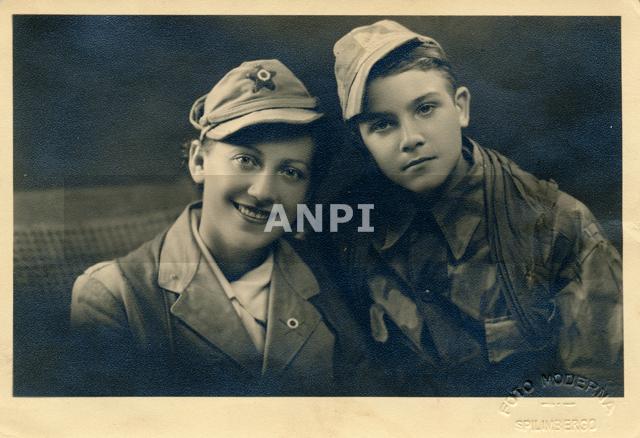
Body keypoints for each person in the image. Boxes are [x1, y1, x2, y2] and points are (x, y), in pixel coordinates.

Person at [329, 20, 623, 395]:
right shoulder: (355, 231)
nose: (411, 139)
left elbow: (601, 398)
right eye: (382, 124)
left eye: (426, 108)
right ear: (362, 141)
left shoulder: (556, 227)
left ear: (461, 107)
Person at [69, 59, 370, 396]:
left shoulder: (328, 279)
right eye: (246, 160)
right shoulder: (115, 296)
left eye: (291, 172)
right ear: (199, 162)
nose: (263, 192)